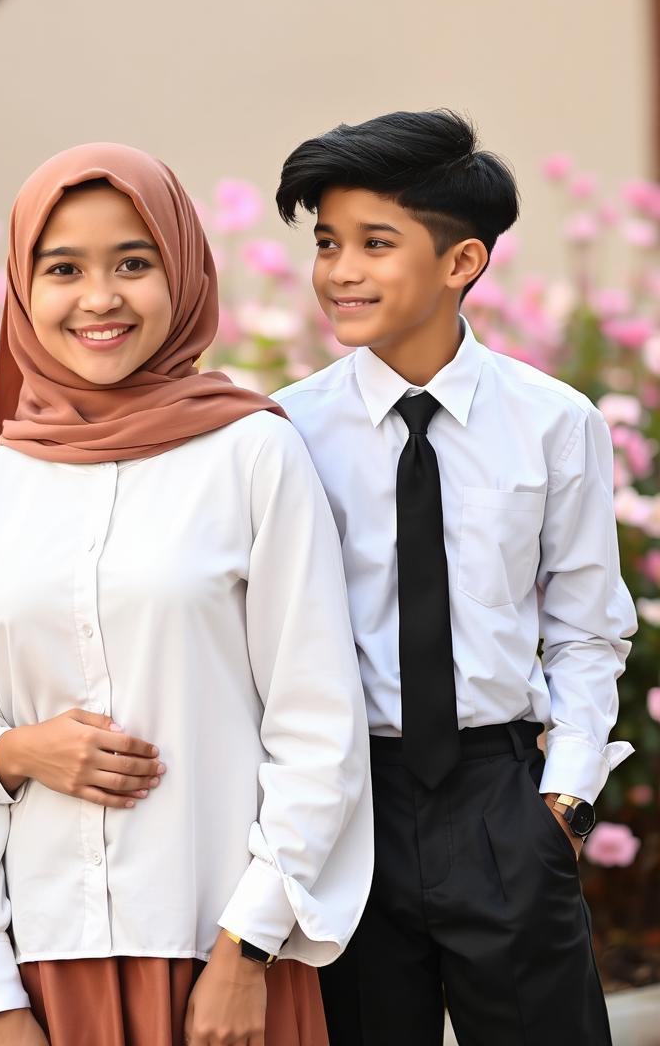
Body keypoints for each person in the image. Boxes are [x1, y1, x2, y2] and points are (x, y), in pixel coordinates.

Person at [0, 143, 373, 1046]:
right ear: (21, 288)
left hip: (223, 959)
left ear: (183, 272)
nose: (100, 297)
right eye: (63, 268)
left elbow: (317, 725)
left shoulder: (252, 457)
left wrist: (247, 953)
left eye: (133, 262)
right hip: (45, 968)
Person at [272, 109, 637, 1046]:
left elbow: (588, 625)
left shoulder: (554, 423)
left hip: (501, 801)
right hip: (349, 803)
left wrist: (563, 802)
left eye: (373, 243)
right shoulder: (283, 432)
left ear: (462, 261)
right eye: (326, 243)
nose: (339, 270)